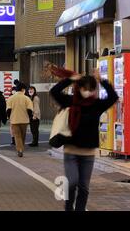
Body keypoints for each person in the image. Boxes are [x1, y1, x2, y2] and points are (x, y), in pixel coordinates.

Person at [50, 70, 118, 212]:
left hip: (88, 153)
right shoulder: (70, 101)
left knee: (84, 187)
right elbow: (54, 91)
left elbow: (113, 97)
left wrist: (102, 81)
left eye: (91, 89)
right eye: (84, 88)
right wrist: (70, 79)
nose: (87, 92)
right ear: (79, 88)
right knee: (72, 181)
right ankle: (69, 207)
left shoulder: (97, 104)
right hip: (71, 151)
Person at [6, 83, 33, 157]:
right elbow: (30, 110)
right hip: (24, 120)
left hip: (14, 120)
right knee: (23, 136)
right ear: (23, 89)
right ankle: (21, 148)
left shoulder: (11, 98)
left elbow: (8, 110)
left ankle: (19, 150)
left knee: (17, 136)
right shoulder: (27, 98)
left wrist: (9, 117)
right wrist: (30, 118)